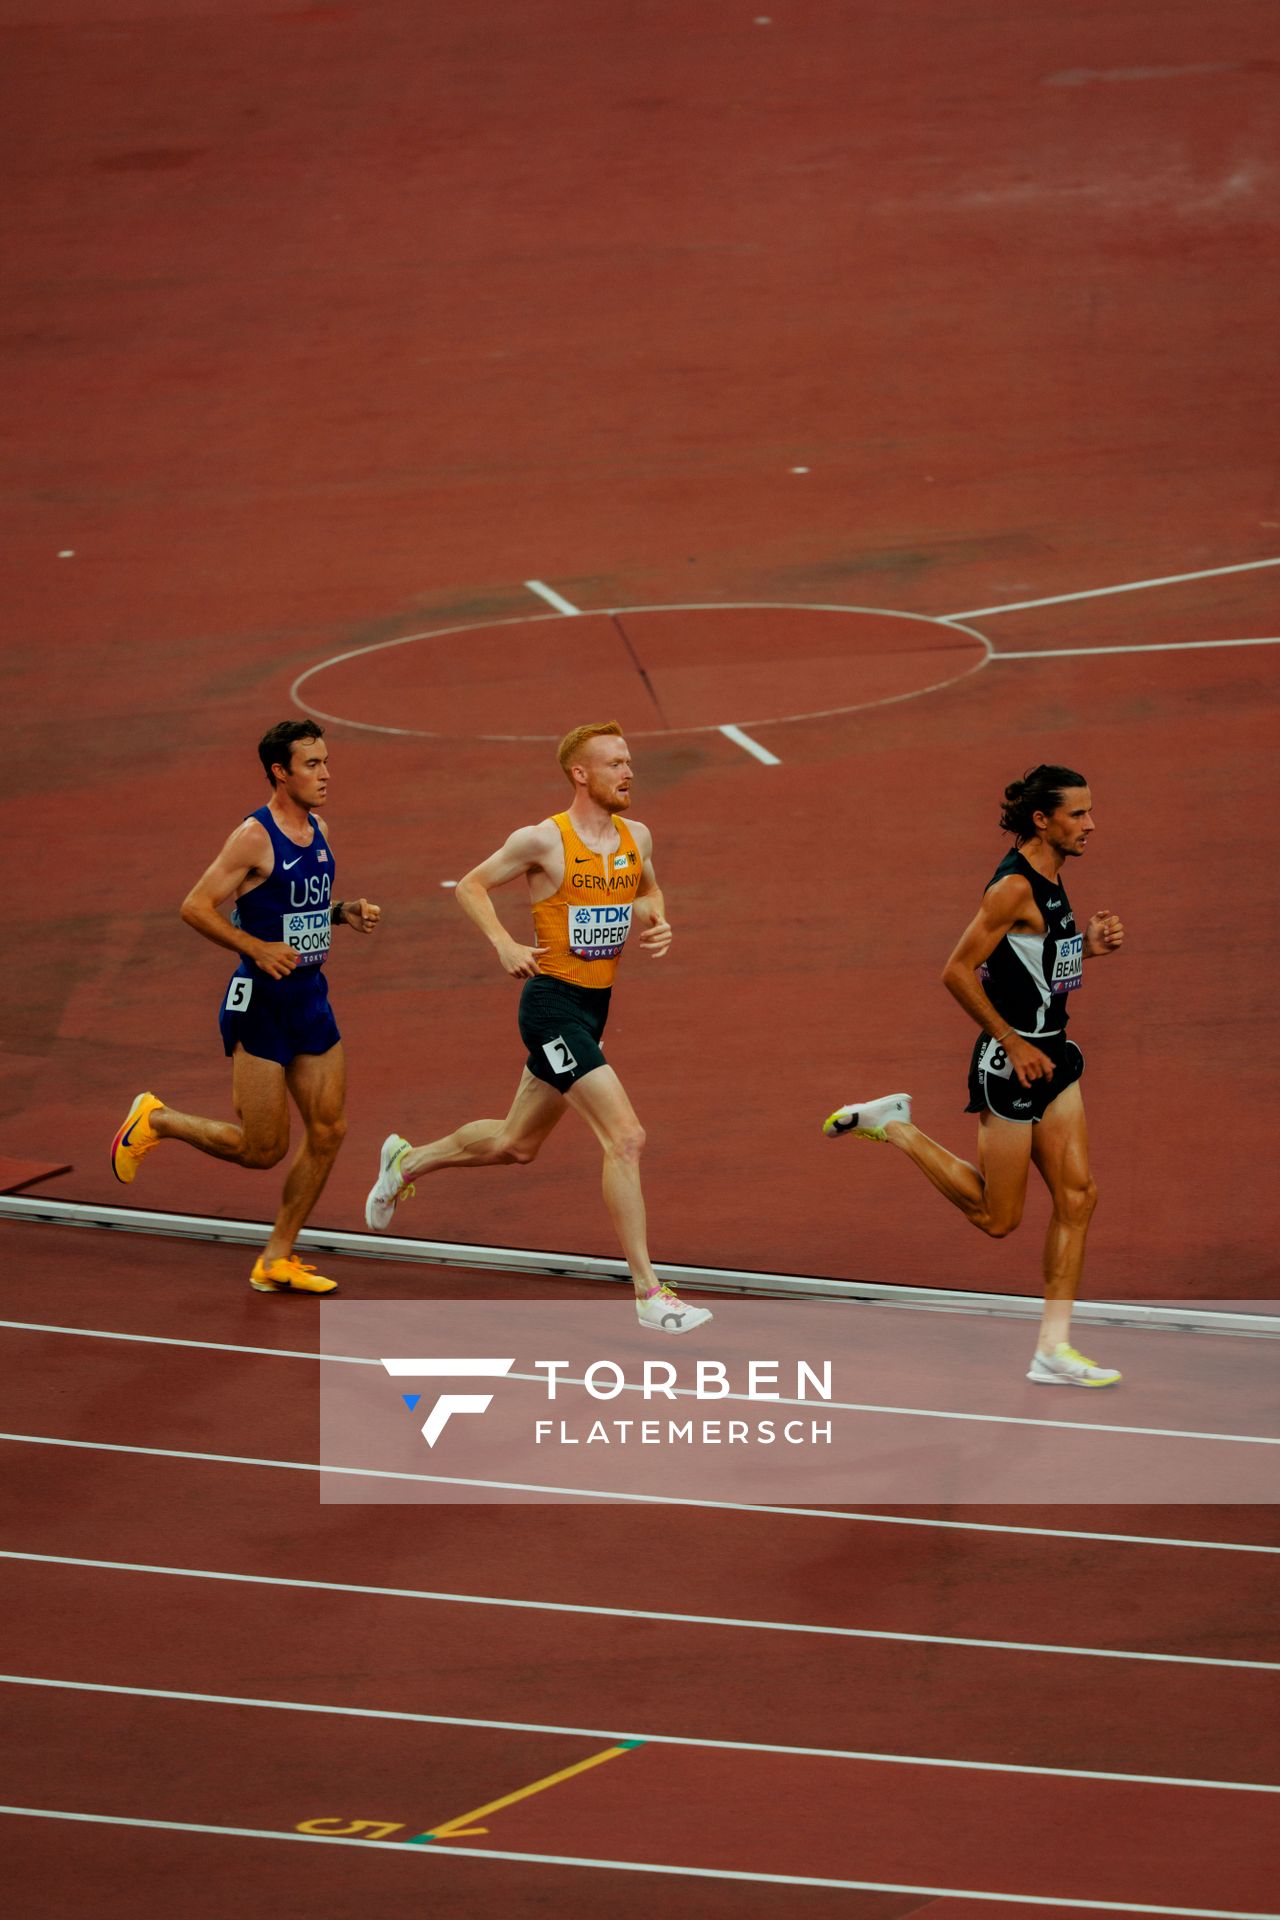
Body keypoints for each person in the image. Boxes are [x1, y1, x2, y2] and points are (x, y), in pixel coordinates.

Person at [364, 721, 711, 1334]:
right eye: (615, 763)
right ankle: (649, 1293)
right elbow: (471, 886)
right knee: (626, 1137)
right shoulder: (542, 841)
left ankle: (407, 1162)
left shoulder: (637, 837)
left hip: (594, 1010)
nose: (629, 772)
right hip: (550, 1007)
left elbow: (648, 891)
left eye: (629, 761)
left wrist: (657, 919)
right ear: (581, 774)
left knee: (515, 1144)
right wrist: (502, 942)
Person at [823, 765, 1125, 1385]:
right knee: (997, 1218)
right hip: (1009, 1066)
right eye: (1078, 814)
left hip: (1054, 1057)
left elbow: (1031, 963)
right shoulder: (1011, 887)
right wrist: (1012, 1041)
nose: (1091, 824)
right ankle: (897, 1127)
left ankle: (1053, 1350)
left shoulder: (1052, 875)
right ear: (1042, 820)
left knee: (1078, 1197)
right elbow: (957, 971)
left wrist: (1084, 947)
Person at [110, 719, 381, 1295]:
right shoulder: (253, 837)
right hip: (260, 1004)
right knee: (262, 1149)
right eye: (312, 765)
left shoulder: (319, 828)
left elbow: (291, 906)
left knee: (329, 1129)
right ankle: (156, 1119)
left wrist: (341, 912)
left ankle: (276, 1257)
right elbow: (196, 906)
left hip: (310, 998)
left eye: (326, 762)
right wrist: (256, 948)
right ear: (280, 772)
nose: (326, 774)